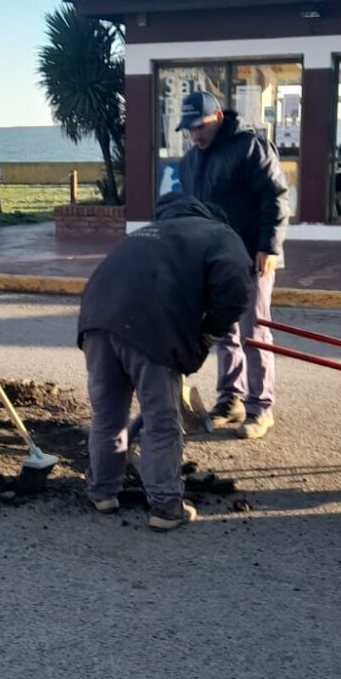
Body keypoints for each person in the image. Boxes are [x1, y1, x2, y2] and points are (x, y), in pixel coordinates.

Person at [78, 197, 251, 532]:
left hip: (96, 322)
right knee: (161, 421)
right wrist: (210, 333)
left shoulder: (145, 234)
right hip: (150, 330)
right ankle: (165, 506)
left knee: (107, 415)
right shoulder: (218, 233)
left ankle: (102, 491)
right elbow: (235, 286)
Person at [175, 90, 289, 439]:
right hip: (215, 259)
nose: (195, 134)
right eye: (189, 129)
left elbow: (275, 196)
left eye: (201, 126)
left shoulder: (250, 147)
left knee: (255, 332)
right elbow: (194, 211)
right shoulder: (190, 162)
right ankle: (230, 400)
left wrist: (269, 246)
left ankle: (260, 408)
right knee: (224, 331)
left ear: (218, 118)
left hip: (254, 255)